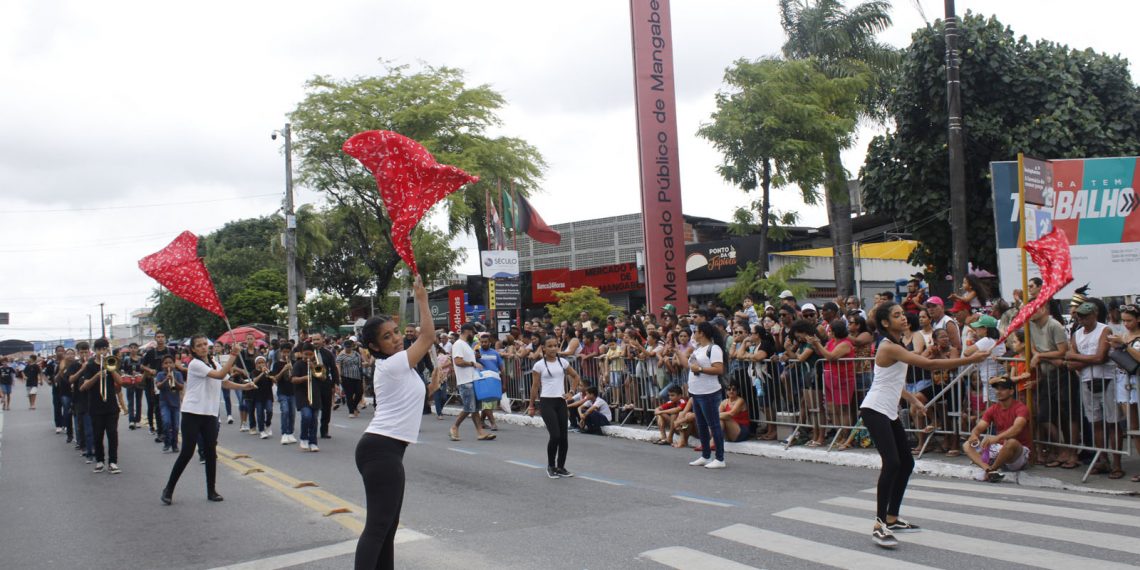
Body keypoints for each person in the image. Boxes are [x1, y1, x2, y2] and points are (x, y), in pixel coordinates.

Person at [861, 303, 988, 548]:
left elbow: (890, 381)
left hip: (888, 410)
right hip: (874, 410)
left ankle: (892, 517)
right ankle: (879, 523)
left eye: (902, 314)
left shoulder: (896, 346)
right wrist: (970, 359)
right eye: (896, 316)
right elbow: (928, 365)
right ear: (885, 323)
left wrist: (912, 401)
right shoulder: (888, 347)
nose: (903, 318)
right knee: (893, 463)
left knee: (906, 462)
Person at [353, 274, 442, 570]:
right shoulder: (392, 364)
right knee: (378, 527)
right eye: (387, 337)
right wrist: (422, 299)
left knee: (388, 527)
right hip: (381, 450)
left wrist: (432, 388)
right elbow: (428, 337)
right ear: (375, 347)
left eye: (395, 332)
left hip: (386, 450)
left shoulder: (399, 366)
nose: (395, 338)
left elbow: (410, 400)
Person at [162, 335, 253, 505]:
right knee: (187, 452)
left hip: (210, 414)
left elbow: (224, 382)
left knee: (211, 452)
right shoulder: (195, 364)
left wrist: (244, 386)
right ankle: (168, 489)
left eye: (205, 344)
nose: (204, 347)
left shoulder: (214, 363)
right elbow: (219, 375)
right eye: (199, 345)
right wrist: (233, 355)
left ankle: (211, 490)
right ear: (194, 350)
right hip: (192, 413)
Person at [1067, 301, 1125, 479]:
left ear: (1095, 314)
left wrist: (1077, 358)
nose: (1082, 319)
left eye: (1085, 315)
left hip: (1107, 379)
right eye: (1080, 316)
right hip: (1087, 381)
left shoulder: (1104, 330)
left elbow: (1100, 357)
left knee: (1113, 423)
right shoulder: (1076, 334)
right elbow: (1070, 364)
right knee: (1096, 423)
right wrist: (1085, 360)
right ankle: (1102, 460)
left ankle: (1116, 464)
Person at [527, 336, 583, 479]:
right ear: (544, 348)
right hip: (546, 402)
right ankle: (551, 466)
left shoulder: (562, 362)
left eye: (555, 345)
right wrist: (531, 405)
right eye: (550, 346)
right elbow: (535, 386)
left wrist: (571, 392)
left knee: (564, 437)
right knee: (555, 435)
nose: (553, 348)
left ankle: (561, 467)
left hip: (560, 402)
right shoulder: (538, 365)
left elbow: (576, 376)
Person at [963, 375, 1032, 482]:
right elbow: (978, 428)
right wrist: (974, 435)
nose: (998, 392)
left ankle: (992, 469)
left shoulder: (1021, 408)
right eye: (997, 389)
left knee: (1011, 442)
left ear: (1011, 391)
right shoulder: (993, 409)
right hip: (999, 450)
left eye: (1003, 389)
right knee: (967, 444)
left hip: (1018, 454)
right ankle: (988, 470)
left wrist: (996, 438)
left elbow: (1016, 429)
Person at [687, 321, 727, 469]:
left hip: (708, 392)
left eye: (695, 331)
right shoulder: (698, 349)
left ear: (701, 333)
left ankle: (720, 458)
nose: (694, 335)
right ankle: (705, 455)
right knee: (701, 425)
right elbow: (690, 365)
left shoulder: (714, 348)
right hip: (696, 392)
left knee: (714, 424)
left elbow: (718, 369)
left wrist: (700, 369)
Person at [1107, 303, 1140, 481]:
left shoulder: (1132, 337)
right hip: (1124, 382)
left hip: (1137, 382)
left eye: (1129, 320)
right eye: (1124, 320)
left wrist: (1125, 346)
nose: (1126, 324)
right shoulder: (1124, 335)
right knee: (1132, 426)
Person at [449, 323, 494, 442]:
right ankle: (454, 427)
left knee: (475, 409)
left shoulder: (466, 345)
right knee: (469, 407)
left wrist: (475, 358)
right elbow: (458, 361)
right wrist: (473, 363)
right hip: (465, 381)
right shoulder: (458, 344)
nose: (473, 335)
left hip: (473, 379)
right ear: (467, 331)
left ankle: (480, 433)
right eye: (472, 333)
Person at [140, 332, 177, 437]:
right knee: (158, 405)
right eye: (158, 337)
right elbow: (142, 366)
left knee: (173, 403)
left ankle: (172, 428)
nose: (160, 339)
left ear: (165, 338)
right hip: (157, 380)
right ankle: (160, 430)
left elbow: (177, 364)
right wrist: (150, 369)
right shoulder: (151, 353)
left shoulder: (172, 351)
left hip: (171, 378)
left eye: (162, 337)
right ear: (155, 339)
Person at [292, 343, 326, 452]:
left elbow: (323, 378)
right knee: (306, 416)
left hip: (315, 394)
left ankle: (313, 442)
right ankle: (303, 438)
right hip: (302, 395)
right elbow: (293, 379)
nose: (308, 357)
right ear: (302, 353)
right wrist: (304, 378)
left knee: (314, 419)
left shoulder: (317, 364)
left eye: (310, 355)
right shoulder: (298, 364)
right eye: (306, 354)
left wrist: (313, 368)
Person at [310, 332, 340, 439]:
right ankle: (312, 430)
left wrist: (336, 383)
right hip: (313, 383)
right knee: (314, 408)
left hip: (326, 383)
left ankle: (324, 431)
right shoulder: (309, 353)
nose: (316, 342)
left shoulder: (328, 353)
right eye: (314, 340)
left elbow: (333, 368)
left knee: (327, 408)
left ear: (323, 340)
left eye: (318, 339)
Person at [155, 356, 184, 453]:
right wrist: (166, 379)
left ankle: (174, 444)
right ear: (163, 365)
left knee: (175, 426)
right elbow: (158, 386)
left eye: (170, 363)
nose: (168, 365)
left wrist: (173, 380)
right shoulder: (160, 374)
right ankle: (167, 442)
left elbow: (181, 387)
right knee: (166, 422)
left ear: (174, 364)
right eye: (166, 363)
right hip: (164, 403)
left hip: (175, 403)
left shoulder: (178, 374)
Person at [477, 333, 504, 431]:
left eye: (486, 342)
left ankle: (481, 421)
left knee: (492, 403)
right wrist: (476, 358)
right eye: (482, 342)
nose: (484, 344)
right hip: (482, 380)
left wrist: (504, 383)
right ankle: (493, 423)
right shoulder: (477, 353)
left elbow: (502, 368)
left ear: (489, 342)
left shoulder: (495, 353)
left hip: (495, 380)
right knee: (486, 402)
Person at [272, 344, 297, 444]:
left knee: (292, 413)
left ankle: (290, 433)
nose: (286, 354)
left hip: (293, 392)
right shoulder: (277, 364)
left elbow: (296, 377)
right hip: (282, 392)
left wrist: (292, 369)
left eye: (288, 352)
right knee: (285, 411)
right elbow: (275, 379)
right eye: (284, 352)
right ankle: (284, 433)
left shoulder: (295, 363)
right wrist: (283, 370)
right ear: (280, 352)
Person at [338, 339, 365, 419]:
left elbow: (361, 363)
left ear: (352, 347)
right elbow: (338, 365)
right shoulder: (341, 355)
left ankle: (354, 406)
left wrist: (365, 364)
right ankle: (351, 411)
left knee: (359, 392)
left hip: (357, 376)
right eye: (346, 347)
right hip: (346, 377)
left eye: (349, 347)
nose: (348, 349)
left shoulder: (356, 354)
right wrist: (339, 375)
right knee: (349, 395)